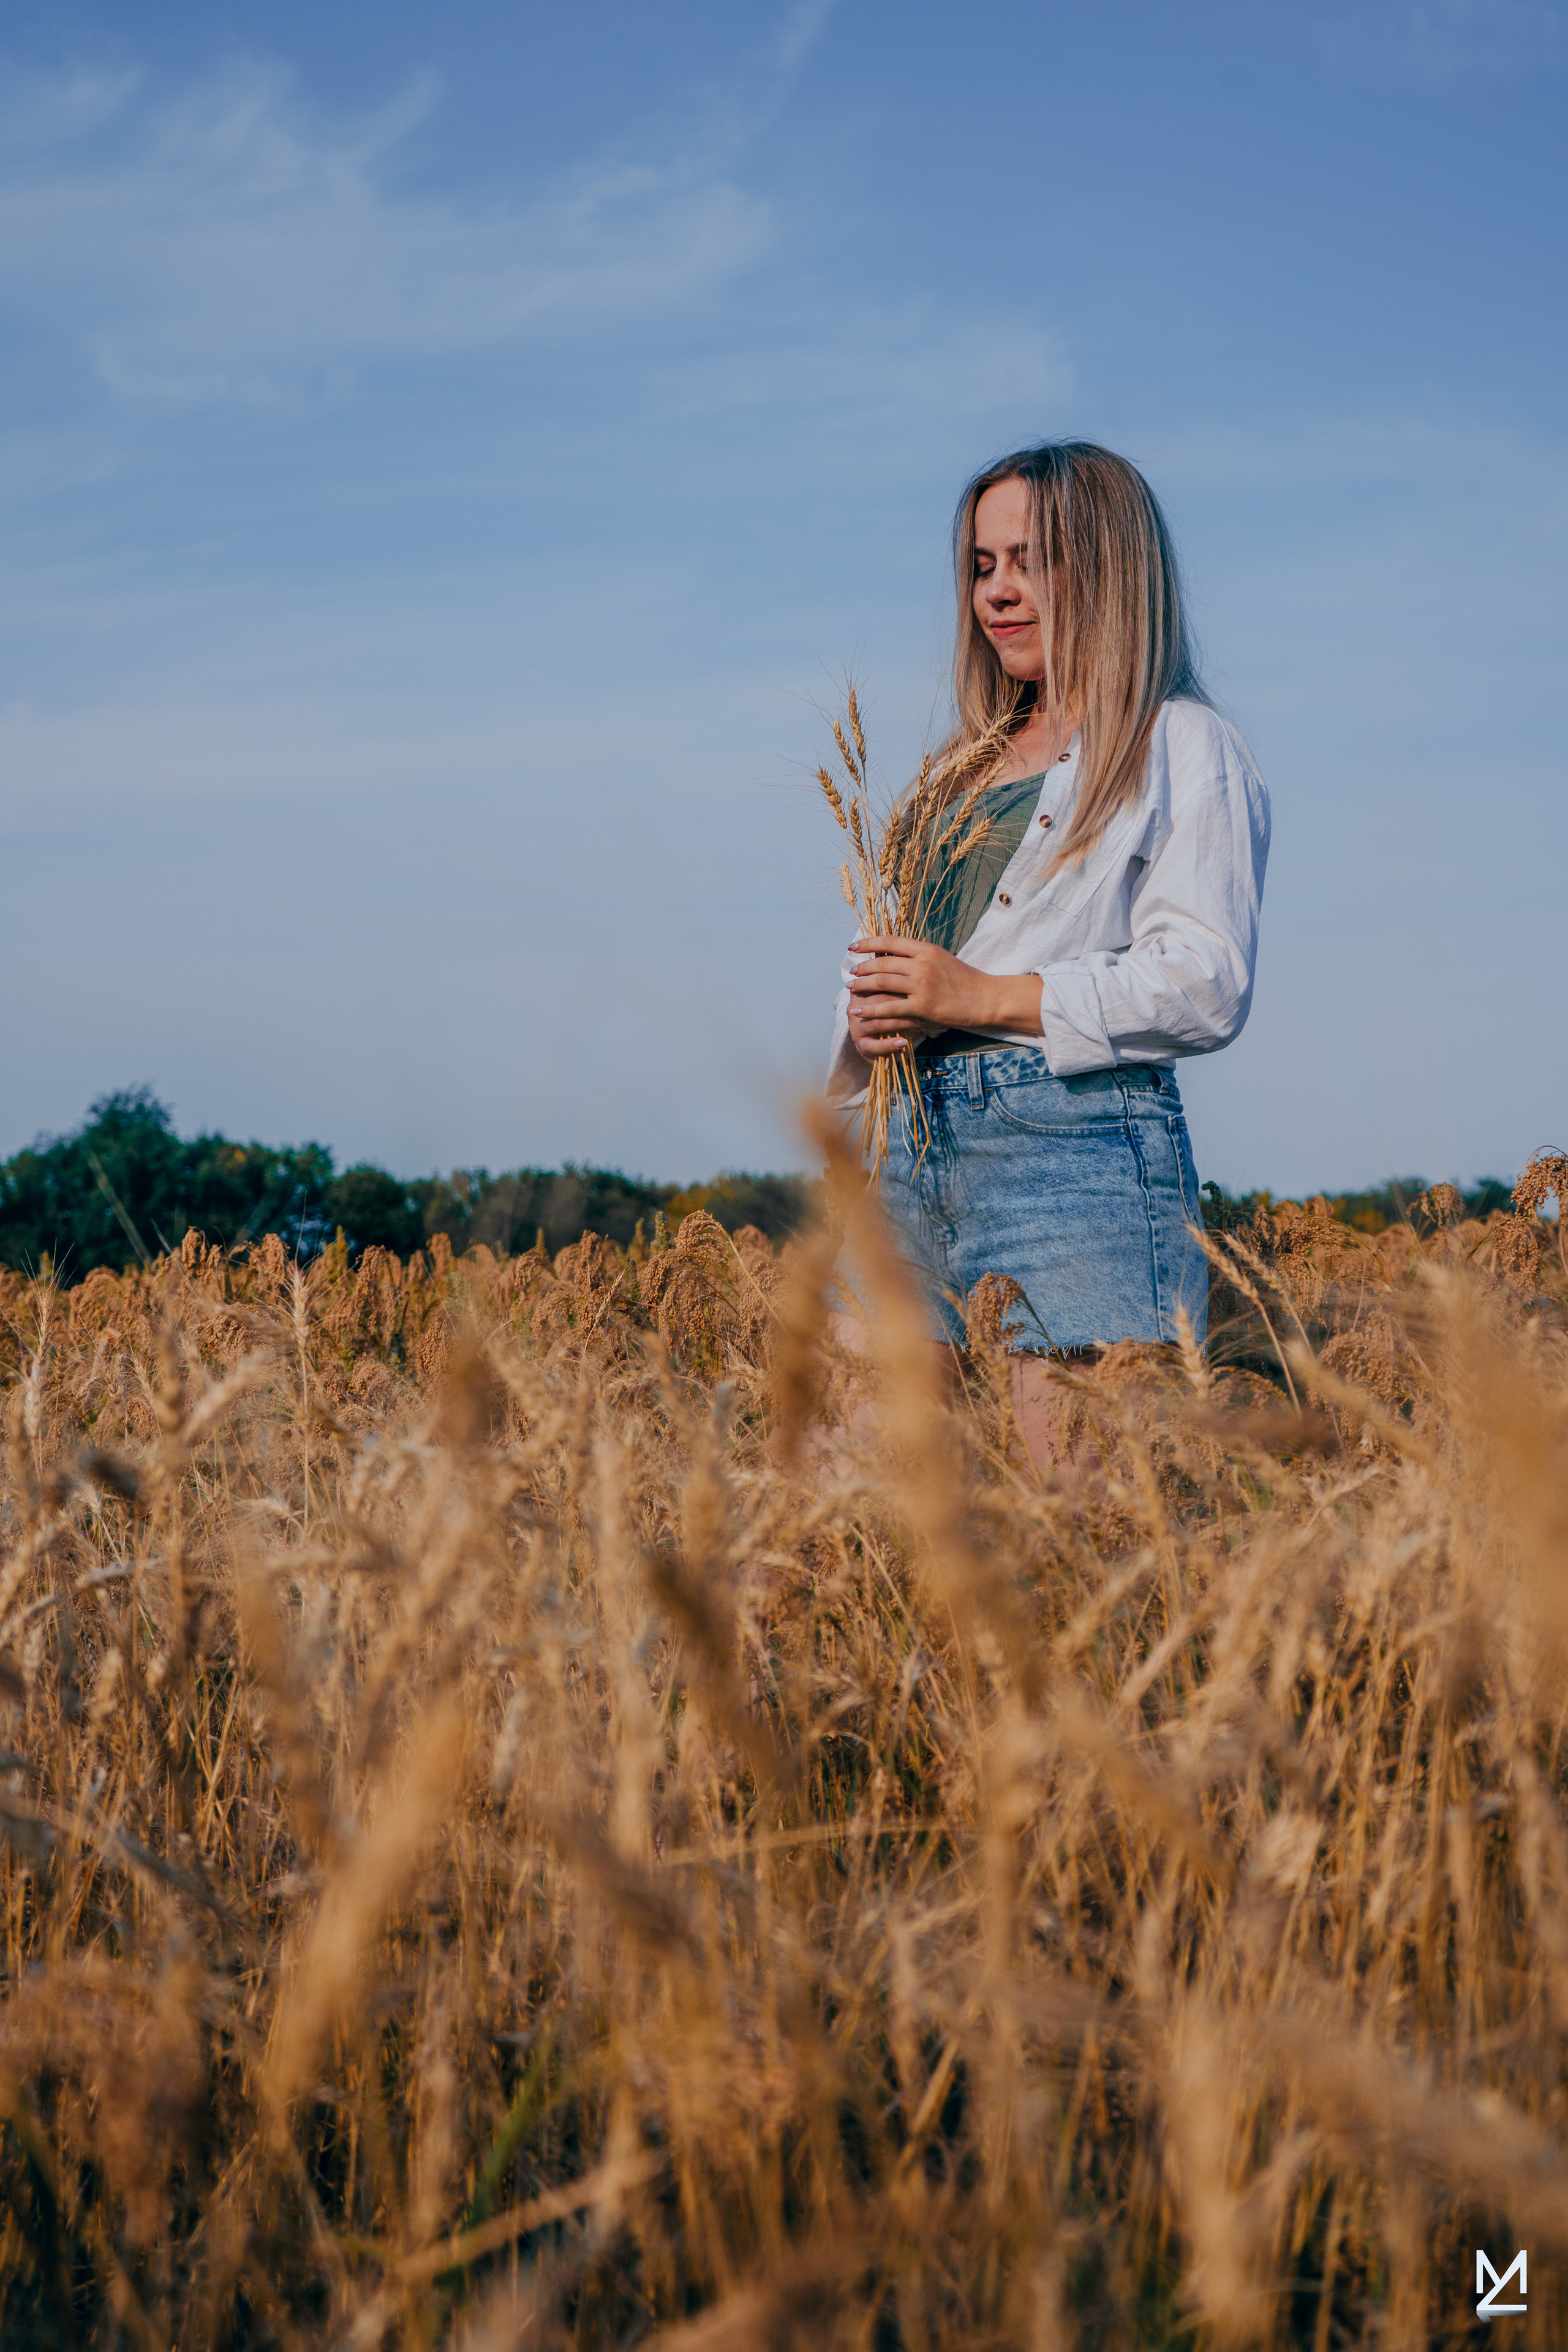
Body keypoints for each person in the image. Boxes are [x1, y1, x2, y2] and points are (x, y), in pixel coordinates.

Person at [826, 440, 1269, 1469]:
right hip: (906, 1147)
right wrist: (870, 1023)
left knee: (1085, 1530)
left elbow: (1207, 983)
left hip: (1074, 1148)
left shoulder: (1181, 744)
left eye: (1030, 561)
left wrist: (977, 995)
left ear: (1109, 567)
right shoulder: (949, 775)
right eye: (982, 567)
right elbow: (905, 960)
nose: (999, 593)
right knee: (848, 1510)